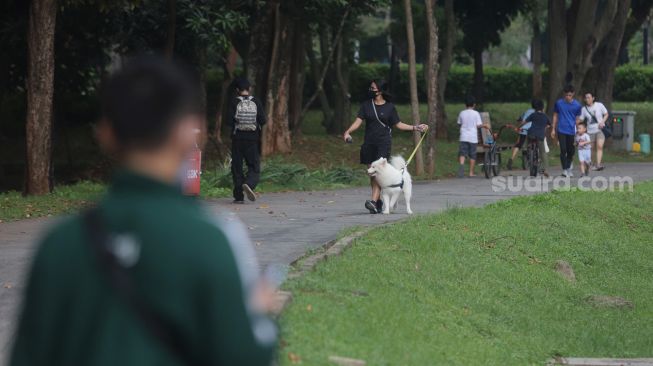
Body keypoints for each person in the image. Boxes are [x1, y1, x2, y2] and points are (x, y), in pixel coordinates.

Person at [10, 57, 277, 366]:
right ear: (192, 133)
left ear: (105, 133)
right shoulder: (215, 239)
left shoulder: (58, 245)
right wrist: (259, 314)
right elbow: (243, 356)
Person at [343, 79, 427, 214]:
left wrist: (415, 127)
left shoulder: (390, 107)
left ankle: (373, 201)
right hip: (369, 143)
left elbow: (398, 124)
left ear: (380, 90)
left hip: (383, 143)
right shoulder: (366, 105)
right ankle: (378, 202)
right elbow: (358, 122)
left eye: (373, 88)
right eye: (370, 87)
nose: (371, 90)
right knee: (372, 174)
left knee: (377, 173)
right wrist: (348, 132)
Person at [228, 77, 266, 203]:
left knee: (237, 167)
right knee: (254, 166)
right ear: (249, 89)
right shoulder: (256, 101)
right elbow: (263, 120)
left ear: (237, 90)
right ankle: (249, 183)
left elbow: (228, 121)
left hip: (237, 139)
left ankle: (239, 197)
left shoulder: (234, 102)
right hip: (252, 139)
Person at [552, 85, 582, 177]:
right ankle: (565, 169)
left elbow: (577, 119)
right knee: (563, 150)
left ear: (573, 94)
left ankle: (569, 167)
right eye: (566, 95)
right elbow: (555, 115)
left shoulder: (577, 105)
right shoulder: (559, 103)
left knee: (571, 151)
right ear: (564, 94)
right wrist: (553, 128)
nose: (568, 97)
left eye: (569, 95)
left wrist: (579, 131)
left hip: (572, 130)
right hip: (561, 129)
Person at [579, 91, 608, 171]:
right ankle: (590, 164)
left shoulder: (599, 105)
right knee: (590, 149)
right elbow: (581, 119)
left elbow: (606, 114)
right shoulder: (584, 109)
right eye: (586, 98)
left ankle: (598, 164)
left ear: (593, 98)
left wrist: (602, 121)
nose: (587, 99)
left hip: (599, 130)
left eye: (588, 97)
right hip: (590, 132)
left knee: (599, 146)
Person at [456, 96, 484, 178]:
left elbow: (459, 123)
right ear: (474, 105)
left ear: (465, 105)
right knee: (472, 155)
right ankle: (471, 173)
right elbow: (478, 125)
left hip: (463, 136)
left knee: (462, 153)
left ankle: (461, 165)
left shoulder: (462, 113)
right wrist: (485, 125)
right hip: (472, 137)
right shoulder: (476, 113)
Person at [524, 99, 551, 176]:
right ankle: (545, 169)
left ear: (534, 108)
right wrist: (544, 127)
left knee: (528, 138)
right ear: (543, 108)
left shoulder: (533, 115)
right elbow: (549, 124)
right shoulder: (545, 116)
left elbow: (524, 122)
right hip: (540, 136)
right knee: (543, 152)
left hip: (531, 134)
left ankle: (527, 148)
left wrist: (518, 127)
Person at [507, 106, 534, 170]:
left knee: (519, 144)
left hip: (523, 129)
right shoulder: (538, 112)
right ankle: (533, 157)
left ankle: (511, 159)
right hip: (532, 130)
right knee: (532, 143)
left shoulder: (527, 111)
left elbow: (520, 118)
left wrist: (518, 120)